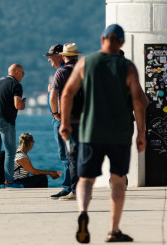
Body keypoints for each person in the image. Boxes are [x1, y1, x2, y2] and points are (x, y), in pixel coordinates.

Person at [58, 24, 147, 244]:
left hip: (90, 130)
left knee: (86, 178)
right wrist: (141, 133)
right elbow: (139, 101)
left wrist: (65, 122)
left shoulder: (86, 62)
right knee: (118, 180)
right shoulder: (127, 67)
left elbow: (67, 93)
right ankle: (113, 230)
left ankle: (82, 213)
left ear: (102, 39)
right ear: (122, 42)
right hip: (119, 131)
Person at [50, 43, 83, 200]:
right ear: (77, 56)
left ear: (63, 56)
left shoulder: (61, 72)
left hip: (68, 121)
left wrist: (56, 113)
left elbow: (52, 97)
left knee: (71, 156)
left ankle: (76, 191)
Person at [0, 63, 26, 189]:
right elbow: (18, 105)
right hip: (5, 120)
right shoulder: (16, 85)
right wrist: (23, 104)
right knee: (10, 152)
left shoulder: (0, 83)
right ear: (17, 72)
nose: (23, 76)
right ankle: (9, 182)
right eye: (22, 74)